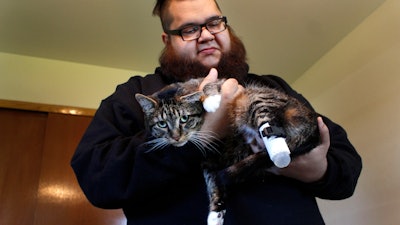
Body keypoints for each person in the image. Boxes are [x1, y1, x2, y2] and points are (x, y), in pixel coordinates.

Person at [71, 0, 362, 224]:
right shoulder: (138, 94)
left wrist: (318, 172)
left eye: (214, 23)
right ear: (167, 40)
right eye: (189, 29)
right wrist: (206, 133)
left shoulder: (271, 86)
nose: (207, 35)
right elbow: (97, 176)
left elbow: (346, 162)